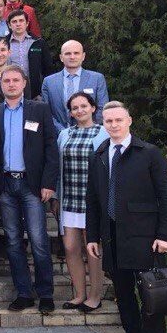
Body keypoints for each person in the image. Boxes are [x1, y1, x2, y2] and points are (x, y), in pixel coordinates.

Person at [86, 102, 167, 333]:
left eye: (118, 120)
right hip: (112, 236)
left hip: (144, 236)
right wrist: (92, 236)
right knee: (123, 295)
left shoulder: (148, 153)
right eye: (108, 121)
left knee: (150, 296)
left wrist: (164, 235)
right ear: (103, 124)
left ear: (129, 121)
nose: (113, 125)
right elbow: (93, 199)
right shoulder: (100, 155)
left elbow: (166, 195)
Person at [0, 65, 58, 313]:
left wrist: (48, 183)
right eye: (7, 81)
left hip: (32, 185)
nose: (11, 84)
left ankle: (45, 293)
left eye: (16, 80)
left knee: (38, 241)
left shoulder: (40, 110)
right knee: (13, 242)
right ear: (1, 84)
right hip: (5, 185)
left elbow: (51, 148)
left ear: (24, 83)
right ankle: (24, 293)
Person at [56, 92, 109, 312]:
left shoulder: (104, 132)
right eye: (75, 108)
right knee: (70, 248)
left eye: (84, 106)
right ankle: (79, 295)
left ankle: (95, 296)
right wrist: (57, 196)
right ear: (70, 113)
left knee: (93, 248)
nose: (80, 110)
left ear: (93, 108)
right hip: (70, 198)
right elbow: (58, 167)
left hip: (93, 201)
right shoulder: (64, 134)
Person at [41, 40, 110, 132]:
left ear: (83, 56)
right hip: (59, 135)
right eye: (68, 53)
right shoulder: (49, 82)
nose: (72, 57)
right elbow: (46, 112)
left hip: (90, 134)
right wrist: (62, 132)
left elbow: (103, 108)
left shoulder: (97, 79)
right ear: (61, 57)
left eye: (76, 53)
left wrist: (87, 127)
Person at [6, 9, 53, 99]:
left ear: (27, 23)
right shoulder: (4, 43)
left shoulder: (38, 42)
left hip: (35, 93)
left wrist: (44, 91)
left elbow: (48, 69)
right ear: (9, 25)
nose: (18, 24)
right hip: (10, 91)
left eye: (21, 20)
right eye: (14, 21)